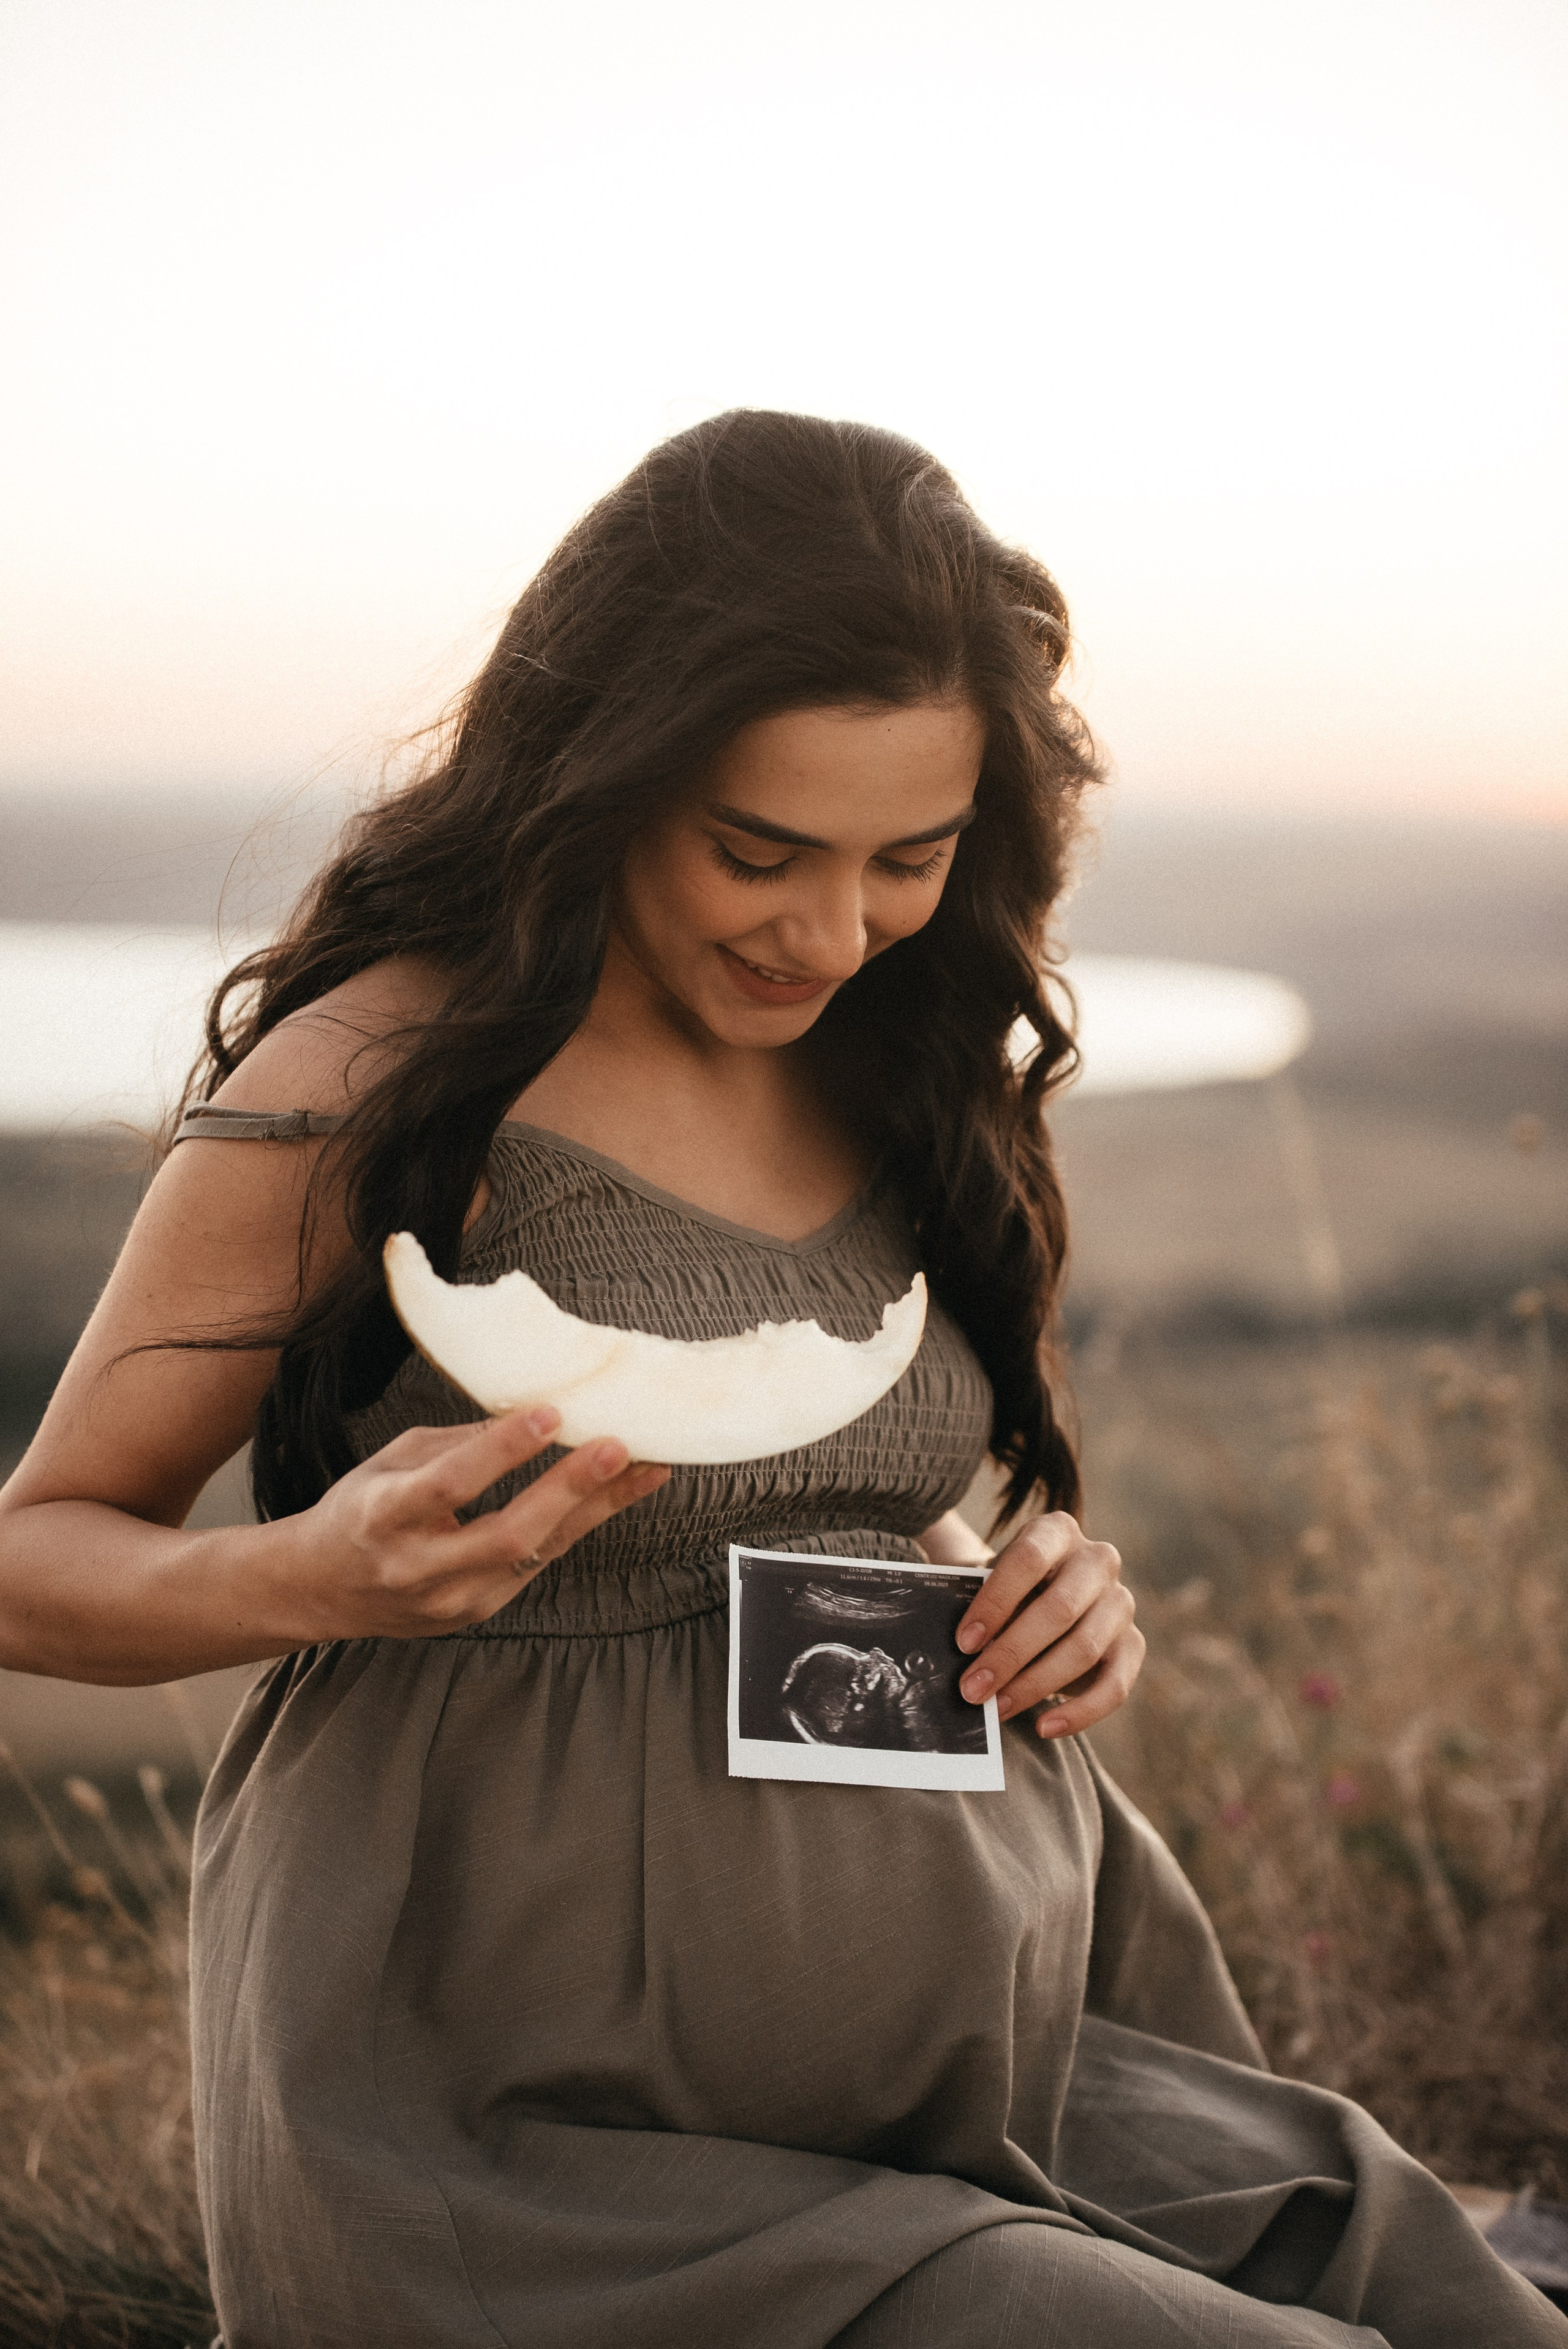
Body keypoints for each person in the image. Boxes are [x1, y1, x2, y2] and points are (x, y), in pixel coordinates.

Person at [0, 412, 1555, 2349]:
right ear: (598, 775)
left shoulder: (900, 1051)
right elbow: (35, 1557)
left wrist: (1035, 1590)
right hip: (536, 2147)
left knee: (1453, 2290)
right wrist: (308, 1573)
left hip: (1004, 2048)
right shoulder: (380, 1074)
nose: (832, 930)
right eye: (760, 852)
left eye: (912, 857)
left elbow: (827, 1481)